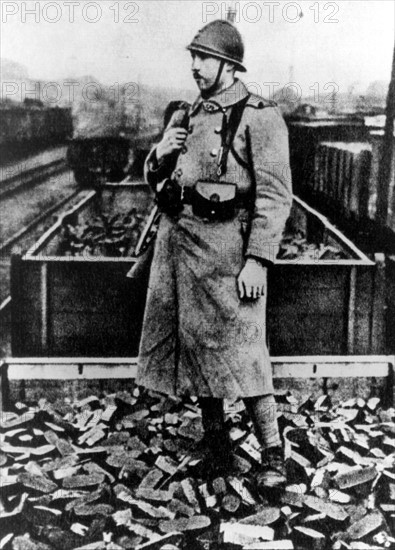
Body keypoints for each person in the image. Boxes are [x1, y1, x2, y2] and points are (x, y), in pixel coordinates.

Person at [137, 19, 293, 489]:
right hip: (180, 251)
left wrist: (258, 260)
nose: (194, 67)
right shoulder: (187, 114)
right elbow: (163, 183)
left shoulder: (259, 116)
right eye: (192, 58)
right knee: (196, 347)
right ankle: (218, 447)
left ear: (227, 64)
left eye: (202, 59)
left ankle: (272, 454)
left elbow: (275, 196)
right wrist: (160, 152)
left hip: (229, 255)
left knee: (244, 350)